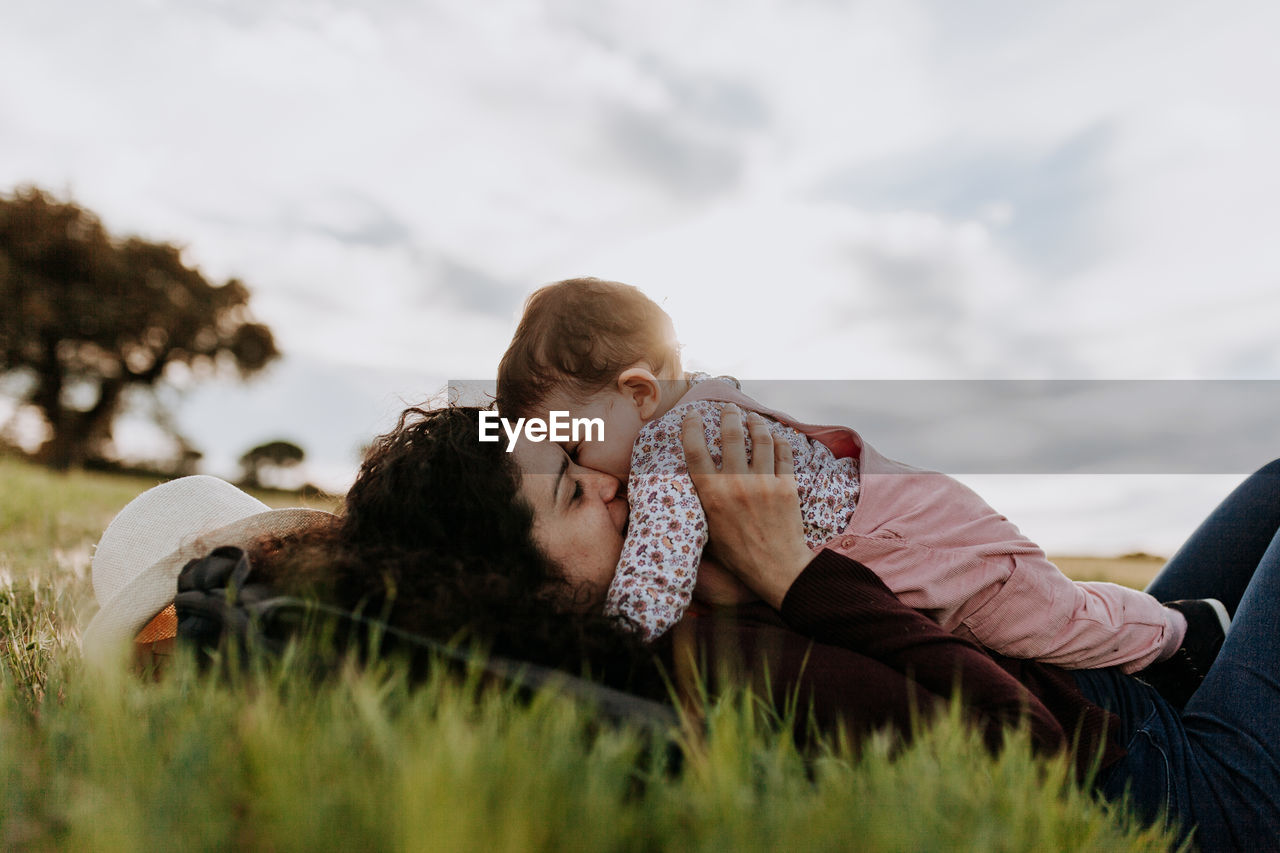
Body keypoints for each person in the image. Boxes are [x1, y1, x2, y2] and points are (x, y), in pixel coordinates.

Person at [494, 278, 1224, 694]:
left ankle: (1184, 638)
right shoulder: (696, 404)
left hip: (907, 542)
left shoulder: (671, 448)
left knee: (1052, 621)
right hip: (904, 515)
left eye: (574, 441)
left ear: (638, 391)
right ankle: (1170, 630)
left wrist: (588, 647)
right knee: (1054, 612)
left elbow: (655, 577)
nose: (582, 465)